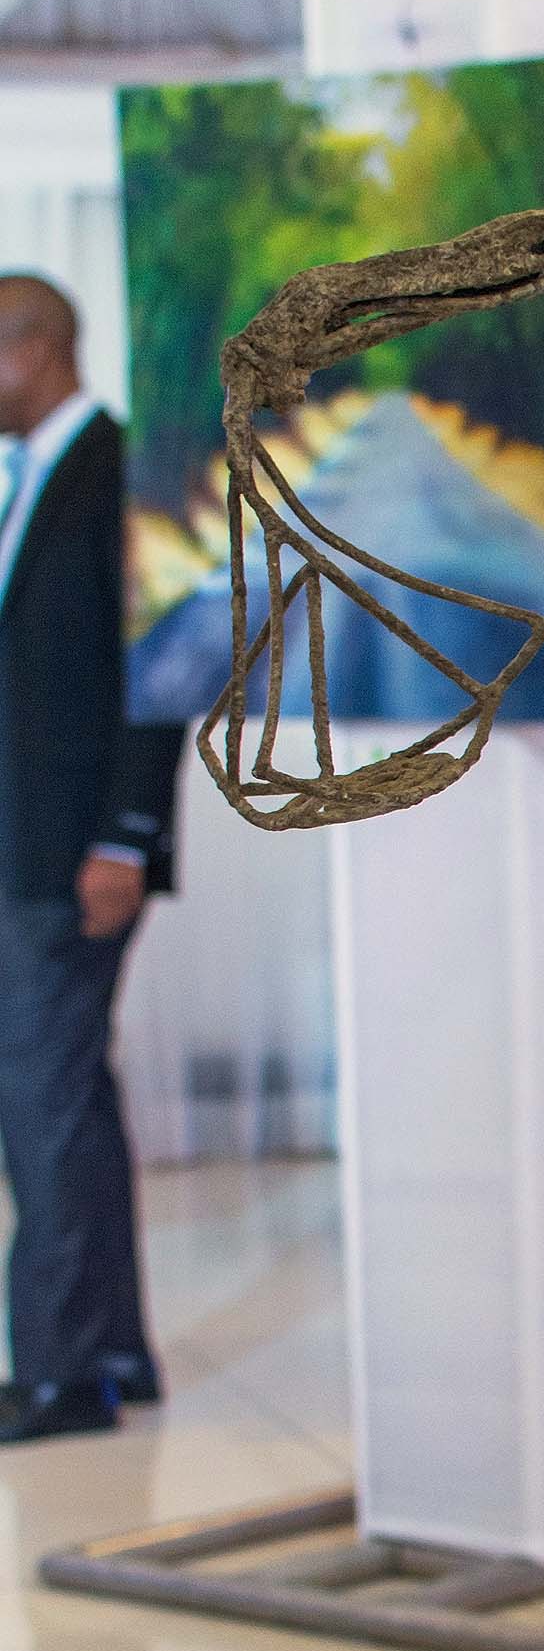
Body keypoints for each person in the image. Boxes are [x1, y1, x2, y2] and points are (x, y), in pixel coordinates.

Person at [0, 274, 182, 1445]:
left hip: (73, 852)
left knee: (42, 1103)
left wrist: (126, 835)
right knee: (68, 1097)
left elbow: (161, 669)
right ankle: (112, 1349)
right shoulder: (32, 477)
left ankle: (61, 1375)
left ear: (35, 347)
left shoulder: (118, 473)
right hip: (28, 840)